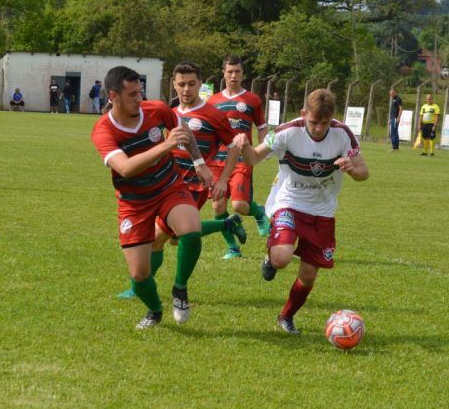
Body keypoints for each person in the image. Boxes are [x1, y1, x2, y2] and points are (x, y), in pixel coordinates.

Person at [233, 89, 369, 335]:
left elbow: (364, 172)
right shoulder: (287, 132)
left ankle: (286, 316)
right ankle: (271, 257)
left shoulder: (342, 134)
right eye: (313, 122)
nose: (318, 128)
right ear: (303, 113)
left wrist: (352, 168)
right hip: (290, 202)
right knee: (281, 258)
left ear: (332, 118)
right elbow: (252, 159)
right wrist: (244, 146)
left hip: (322, 211)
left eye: (324, 123)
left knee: (308, 274)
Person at [92, 65, 214, 329]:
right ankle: (155, 311)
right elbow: (125, 168)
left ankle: (180, 289)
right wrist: (166, 145)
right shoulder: (103, 130)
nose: (140, 99)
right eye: (133, 94)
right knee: (139, 275)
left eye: (141, 92)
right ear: (113, 96)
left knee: (190, 229)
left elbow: (183, 132)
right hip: (134, 202)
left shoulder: (156, 109)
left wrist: (199, 162)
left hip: (168, 186)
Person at [116, 61, 246, 300]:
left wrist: (222, 181)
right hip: (164, 186)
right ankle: (226, 225)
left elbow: (234, 148)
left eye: (192, 84)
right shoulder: (169, 113)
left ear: (200, 84)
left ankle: (141, 288)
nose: (186, 89)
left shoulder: (213, 115)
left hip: (192, 189)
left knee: (156, 239)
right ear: (173, 85)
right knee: (174, 238)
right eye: (181, 84)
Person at [208, 55, 270, 259]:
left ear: (243, 74)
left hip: (242, 159)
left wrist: (263, 147)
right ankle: (233, 248)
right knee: (218, 207)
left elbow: (262, 127)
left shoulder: (252, 100)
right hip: (218, 160)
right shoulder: (213, 101)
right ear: (224, 73)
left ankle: (259, 212)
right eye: (230, 71)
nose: (233, 75)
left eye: (237, 71)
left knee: (240, 206)